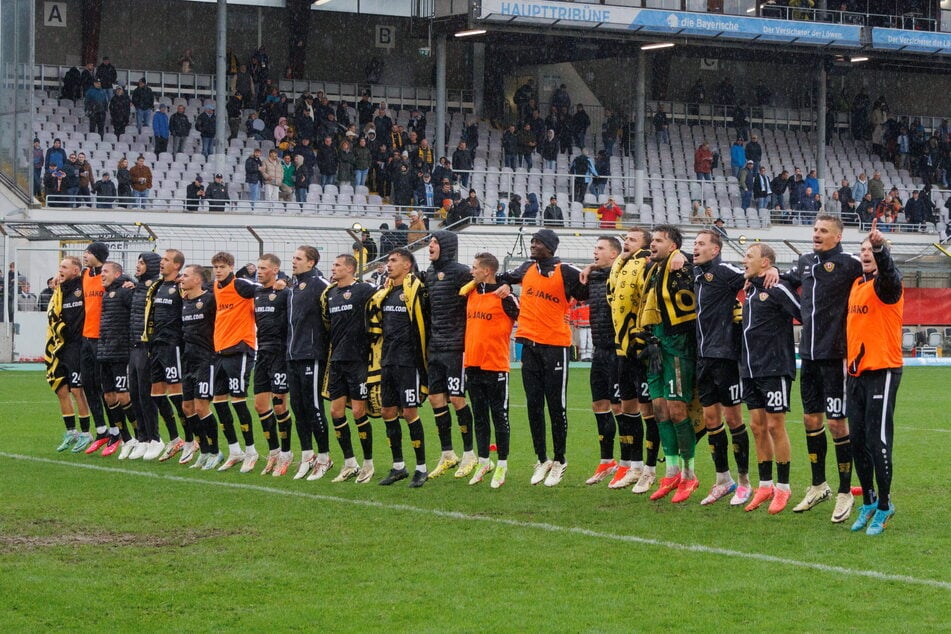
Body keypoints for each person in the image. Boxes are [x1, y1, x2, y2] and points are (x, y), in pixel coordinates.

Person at [782, 214, 864, 523]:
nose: (817, 234)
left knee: (837, 424)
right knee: (809, 419)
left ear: (837, 237)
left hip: (836, 357)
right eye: (815, 229)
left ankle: (845, 491)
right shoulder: (804, 262)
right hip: (809, 357)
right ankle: (819, 485)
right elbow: (783, 283)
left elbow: (877, 279)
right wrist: (775, 273)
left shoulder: (849, 264)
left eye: (823, 230)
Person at [497, 229, 588, 486]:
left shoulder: (566, 271)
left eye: (538, 242)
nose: (533, 245)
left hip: (555, 346)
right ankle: (542, 458)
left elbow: (586, 290)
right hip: (529, 345)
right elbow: (504, 276)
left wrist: (592, 272)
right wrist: (503, 283)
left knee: (556, 406)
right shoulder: (526, 267)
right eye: (532, 241)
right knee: (533, 405)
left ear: (550, 247)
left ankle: (560, 460)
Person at [634, 225, 699, 503]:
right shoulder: (653, 270)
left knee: (676, 409)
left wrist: (685, 256)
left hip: (677, 346)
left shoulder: (682, 266)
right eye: (653, 240)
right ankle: (671, 471)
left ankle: (689, 474)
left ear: (673, 246)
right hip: (655, 347)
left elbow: (702, 270)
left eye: (659, 240)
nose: (653, 244)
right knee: (659, 409)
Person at [847, 224, 903, 535]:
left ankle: (885, 505)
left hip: (883, 370)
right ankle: (868, 500)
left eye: (871, 249)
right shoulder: (856, 283)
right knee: (857, 441)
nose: (865, 253)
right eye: (863, 249)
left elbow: (891, 275)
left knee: (877, 440)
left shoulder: (889, 285)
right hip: (856, 373)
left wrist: (882, 250)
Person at [740, 243, 801, 514]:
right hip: (750, 370)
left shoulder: (777, 287)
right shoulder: (750, 289)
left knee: (776, 426)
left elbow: (803, 313)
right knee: (756, 426)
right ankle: (764, 485)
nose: (744, 260)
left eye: (749, 256)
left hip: (775, 368)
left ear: (765, 262)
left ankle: (784, 487)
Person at [692, 230, 752, 506]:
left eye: (701, 244)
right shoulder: (696, 275)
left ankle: (744, 482)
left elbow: (751, 276)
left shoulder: (725, 271)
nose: (696, 247)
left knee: (733, 419)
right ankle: (722, 479)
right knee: (711, 420)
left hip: (726, 357)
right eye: (694, 243)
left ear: (715, 250)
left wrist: (772, 268)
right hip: (702, 357)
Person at [366, 248, 431, 488]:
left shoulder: (416, 291)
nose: (388, 264)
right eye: (388, 261)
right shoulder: (386, 293)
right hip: (388, 360)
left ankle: (422, 468)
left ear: (407, 265)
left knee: (410, 413)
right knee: (387, 412)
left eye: (393, 261)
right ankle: (398, 467)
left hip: (409, 362)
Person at [606, 227, 659, 491]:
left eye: (633, 239)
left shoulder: (646, 265)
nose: (626, 242)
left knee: (649, 410)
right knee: (628, 408)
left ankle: (651, 469)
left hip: (641, 346)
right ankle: (634, 466)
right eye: (625, 238)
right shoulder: (619, 265)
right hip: (621, 347)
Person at [461, 252, 519, 487]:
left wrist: (508, 287)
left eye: (475, 268)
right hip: (472, 364)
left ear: (487, 271)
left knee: (500, 417)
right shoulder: (471, 292)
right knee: (480, 417)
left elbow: (522, 315)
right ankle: (484, 461)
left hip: (495, 365)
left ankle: (502, 465)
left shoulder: (506, 297)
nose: (471, 271)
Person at [424, 232, 477, 479]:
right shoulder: (429, 274)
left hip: (456, 347)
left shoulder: (462, 272)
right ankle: (448, 454)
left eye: (434, 242)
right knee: (436, 400)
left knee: (457, 399)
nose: (430, 246)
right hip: (435, 347)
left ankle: (469, 454)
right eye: (430, 242)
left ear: (445, 246)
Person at [321, 254, 377, 483]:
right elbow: (326, 323)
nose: (333, 268)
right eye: (333, 265)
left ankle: (368, 463)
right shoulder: (330, 294)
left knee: (358, 412)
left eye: (337, 265)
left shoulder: (364, 290)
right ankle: (349, 462)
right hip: (337, 361)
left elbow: (381, 295)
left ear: (351, 268)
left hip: (358, 360)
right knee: (335, 412)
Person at [209, 252, 261, 472]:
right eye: (215, 267)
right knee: (219, 402)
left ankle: (251, 451)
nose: (218, 270)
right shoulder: (215, 286)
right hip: (220, 350)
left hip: (240, 348)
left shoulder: (241, 284)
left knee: (238, 401)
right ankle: (235, 450)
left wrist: (278, 284)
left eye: (222, 267)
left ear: (231, 266)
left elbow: (261, 289)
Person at [286, 246, 332, 479]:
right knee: (298, 407)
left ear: (311, 263)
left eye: (298, 258)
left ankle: (325, 457)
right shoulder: (292, 287)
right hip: (292, 355)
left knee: (313, 407)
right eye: (293, 257)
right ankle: (307, 455)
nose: (293, 261)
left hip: (311, 355)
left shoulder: (319, 284)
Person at [581, 237, 624, 484]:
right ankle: (607, 460)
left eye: (600, 248)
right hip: (599, 349)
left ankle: (629, 463)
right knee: (599, 404)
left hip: (619, 349)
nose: (594, 251)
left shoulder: (623, 276)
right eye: (594, 247)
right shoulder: (594, 277)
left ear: (614, 254)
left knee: (621, 407)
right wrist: (591, 267)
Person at [144, 249, 189, 463]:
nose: (162, 263)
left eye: (167, 260)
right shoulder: (157, 286)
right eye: (162, 259)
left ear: (177, 266)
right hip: (157, 345)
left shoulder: (181, 287)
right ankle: (174, 438)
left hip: (174, 346)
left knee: (176, 394)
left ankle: (191, 439)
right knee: (156, 394)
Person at [252, 254, 294, 475]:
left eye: (264, 268)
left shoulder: (285, 293)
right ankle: (274, 451)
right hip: (262, 353)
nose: (259, 271)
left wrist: (287, 282)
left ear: (275, 269)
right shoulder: (256, 292)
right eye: (258, 268)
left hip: (280, 353)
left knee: (279, 405)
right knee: (260, 405)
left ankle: (287, 453)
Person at [47, 256, 93, 452]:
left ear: (76, 270)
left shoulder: (82, 285)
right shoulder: (59, 291)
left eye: (65, 267)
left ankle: (86, 433)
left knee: (77, 390)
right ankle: (71, 432)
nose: (60, 270)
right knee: (61, 390)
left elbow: (93, 274)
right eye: (59, 267)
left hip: (78, 346)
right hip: (60, 347)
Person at [91, 261, 134, 456]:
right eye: (101, 272)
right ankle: (125, 438)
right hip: (105, 351)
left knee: (124, 395)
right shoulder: (107, 294)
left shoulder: (126, 292)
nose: (102, 275)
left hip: (121, 352)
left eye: (106, 271)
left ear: (118, 274)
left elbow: (135, 316)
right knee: (108, 396)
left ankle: (140, 436)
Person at [122, 253, 162, 460]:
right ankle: (143, 438)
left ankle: (155, 438)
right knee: (135, 394)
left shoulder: (157, 286)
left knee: (147, 395)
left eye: (142, 263)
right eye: (137, 262)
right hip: (134, 346)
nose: (137, 266)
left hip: (148, 347)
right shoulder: (137, 287)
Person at [178, 264, 219, 469]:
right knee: (187, 407)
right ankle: (202, 451)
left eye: (185, 275)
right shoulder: (183, 301)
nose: (181, 279)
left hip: (206, 360)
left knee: (202, 406)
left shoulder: (210, 299)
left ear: (197, 280)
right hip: (188, 360)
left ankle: (215, 451)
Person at [78, 242, 109, 453]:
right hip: (86, 338)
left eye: (88, 253)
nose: (85, 255)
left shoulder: (107, 276)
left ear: (98, 255)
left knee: (104, 387)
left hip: (102, 338)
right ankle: (101, 429)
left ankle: (117, 430)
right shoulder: (85, 274)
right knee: (87, 384)